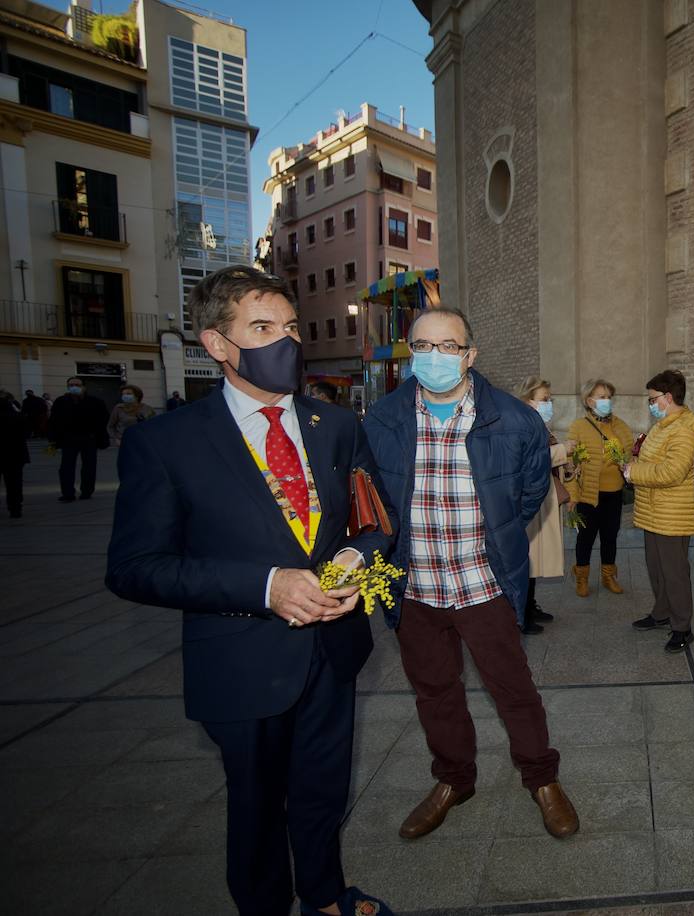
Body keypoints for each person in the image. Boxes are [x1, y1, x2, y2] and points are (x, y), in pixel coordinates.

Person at [105, 266, 398, 916]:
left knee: (323, 789)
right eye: (263, 328)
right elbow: (134, 566)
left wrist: (354, 559)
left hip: (333, 651)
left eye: (290, 327)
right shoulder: (166, 443)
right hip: (241, 659)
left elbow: (376, 518)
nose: (285, 342)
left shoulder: (335, 426)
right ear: (218, 343)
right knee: (257, 806)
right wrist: (265, 586)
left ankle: (325, 893)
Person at [363, 306, 579, 842]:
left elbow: (529, 494)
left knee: (514, 689)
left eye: (448, 346)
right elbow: (374, 498)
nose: (434, 357)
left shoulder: (515, 419)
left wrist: (496, 537)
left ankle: (542, 778)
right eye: (423, 346)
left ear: (469, 355)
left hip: (484, 584)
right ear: (411, 352)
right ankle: (454, 780)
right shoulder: (382, 418)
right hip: (415, 588)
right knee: (435, 693)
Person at [624, 369, 694, 652]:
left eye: (652, 399)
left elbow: (673, 472)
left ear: (668, 397)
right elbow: (655, 459)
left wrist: (634, 472)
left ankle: (682, 627)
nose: (650, 404)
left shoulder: (684, 429)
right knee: (657, 568)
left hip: (672, 514)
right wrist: (635, 462)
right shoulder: (664, 424)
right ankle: (662, 613)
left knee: (674, 572)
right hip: (654, 511)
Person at [566, 378, 635, 597]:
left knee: (610, 537)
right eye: (602, 397)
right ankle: (582, 577)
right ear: (589, 401)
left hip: (613, 493)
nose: (607, 401)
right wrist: (572, 496)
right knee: (585, 538)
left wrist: (627, 460)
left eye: (609, 397)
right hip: (588, 495)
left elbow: (631, 454)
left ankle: (608, 576)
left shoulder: (619, 425)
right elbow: (570, 465)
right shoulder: (578, 427)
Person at [518, 376, 567, 635]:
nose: (549, 404)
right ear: (528, 401)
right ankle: (522, 613)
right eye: (544, 399)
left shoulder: (538, 425)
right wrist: (563, 451)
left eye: (550, 399)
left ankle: (531, 605)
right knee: (527, 556)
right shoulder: (522, 426)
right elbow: (530, 459)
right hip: (528, 500)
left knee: (534, 557)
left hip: (541, 496)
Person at [48, 376, 108, 502]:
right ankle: (68, 493)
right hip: (68, 438)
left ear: (84, 387)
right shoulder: (61, 401)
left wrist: (99, 437)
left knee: (89, 466)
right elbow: (54, 421)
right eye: (71, 385)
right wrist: (53, 440)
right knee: (66, 467)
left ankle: (87, 491)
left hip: (89, 438)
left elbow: (103, 420)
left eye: (77, 385)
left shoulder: (95, 402)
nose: (74, 387)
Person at [1, 390, 28, 518]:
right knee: (14, 483)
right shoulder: (17, 416)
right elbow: (26, 432)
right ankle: (15, 508)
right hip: (15, 454)